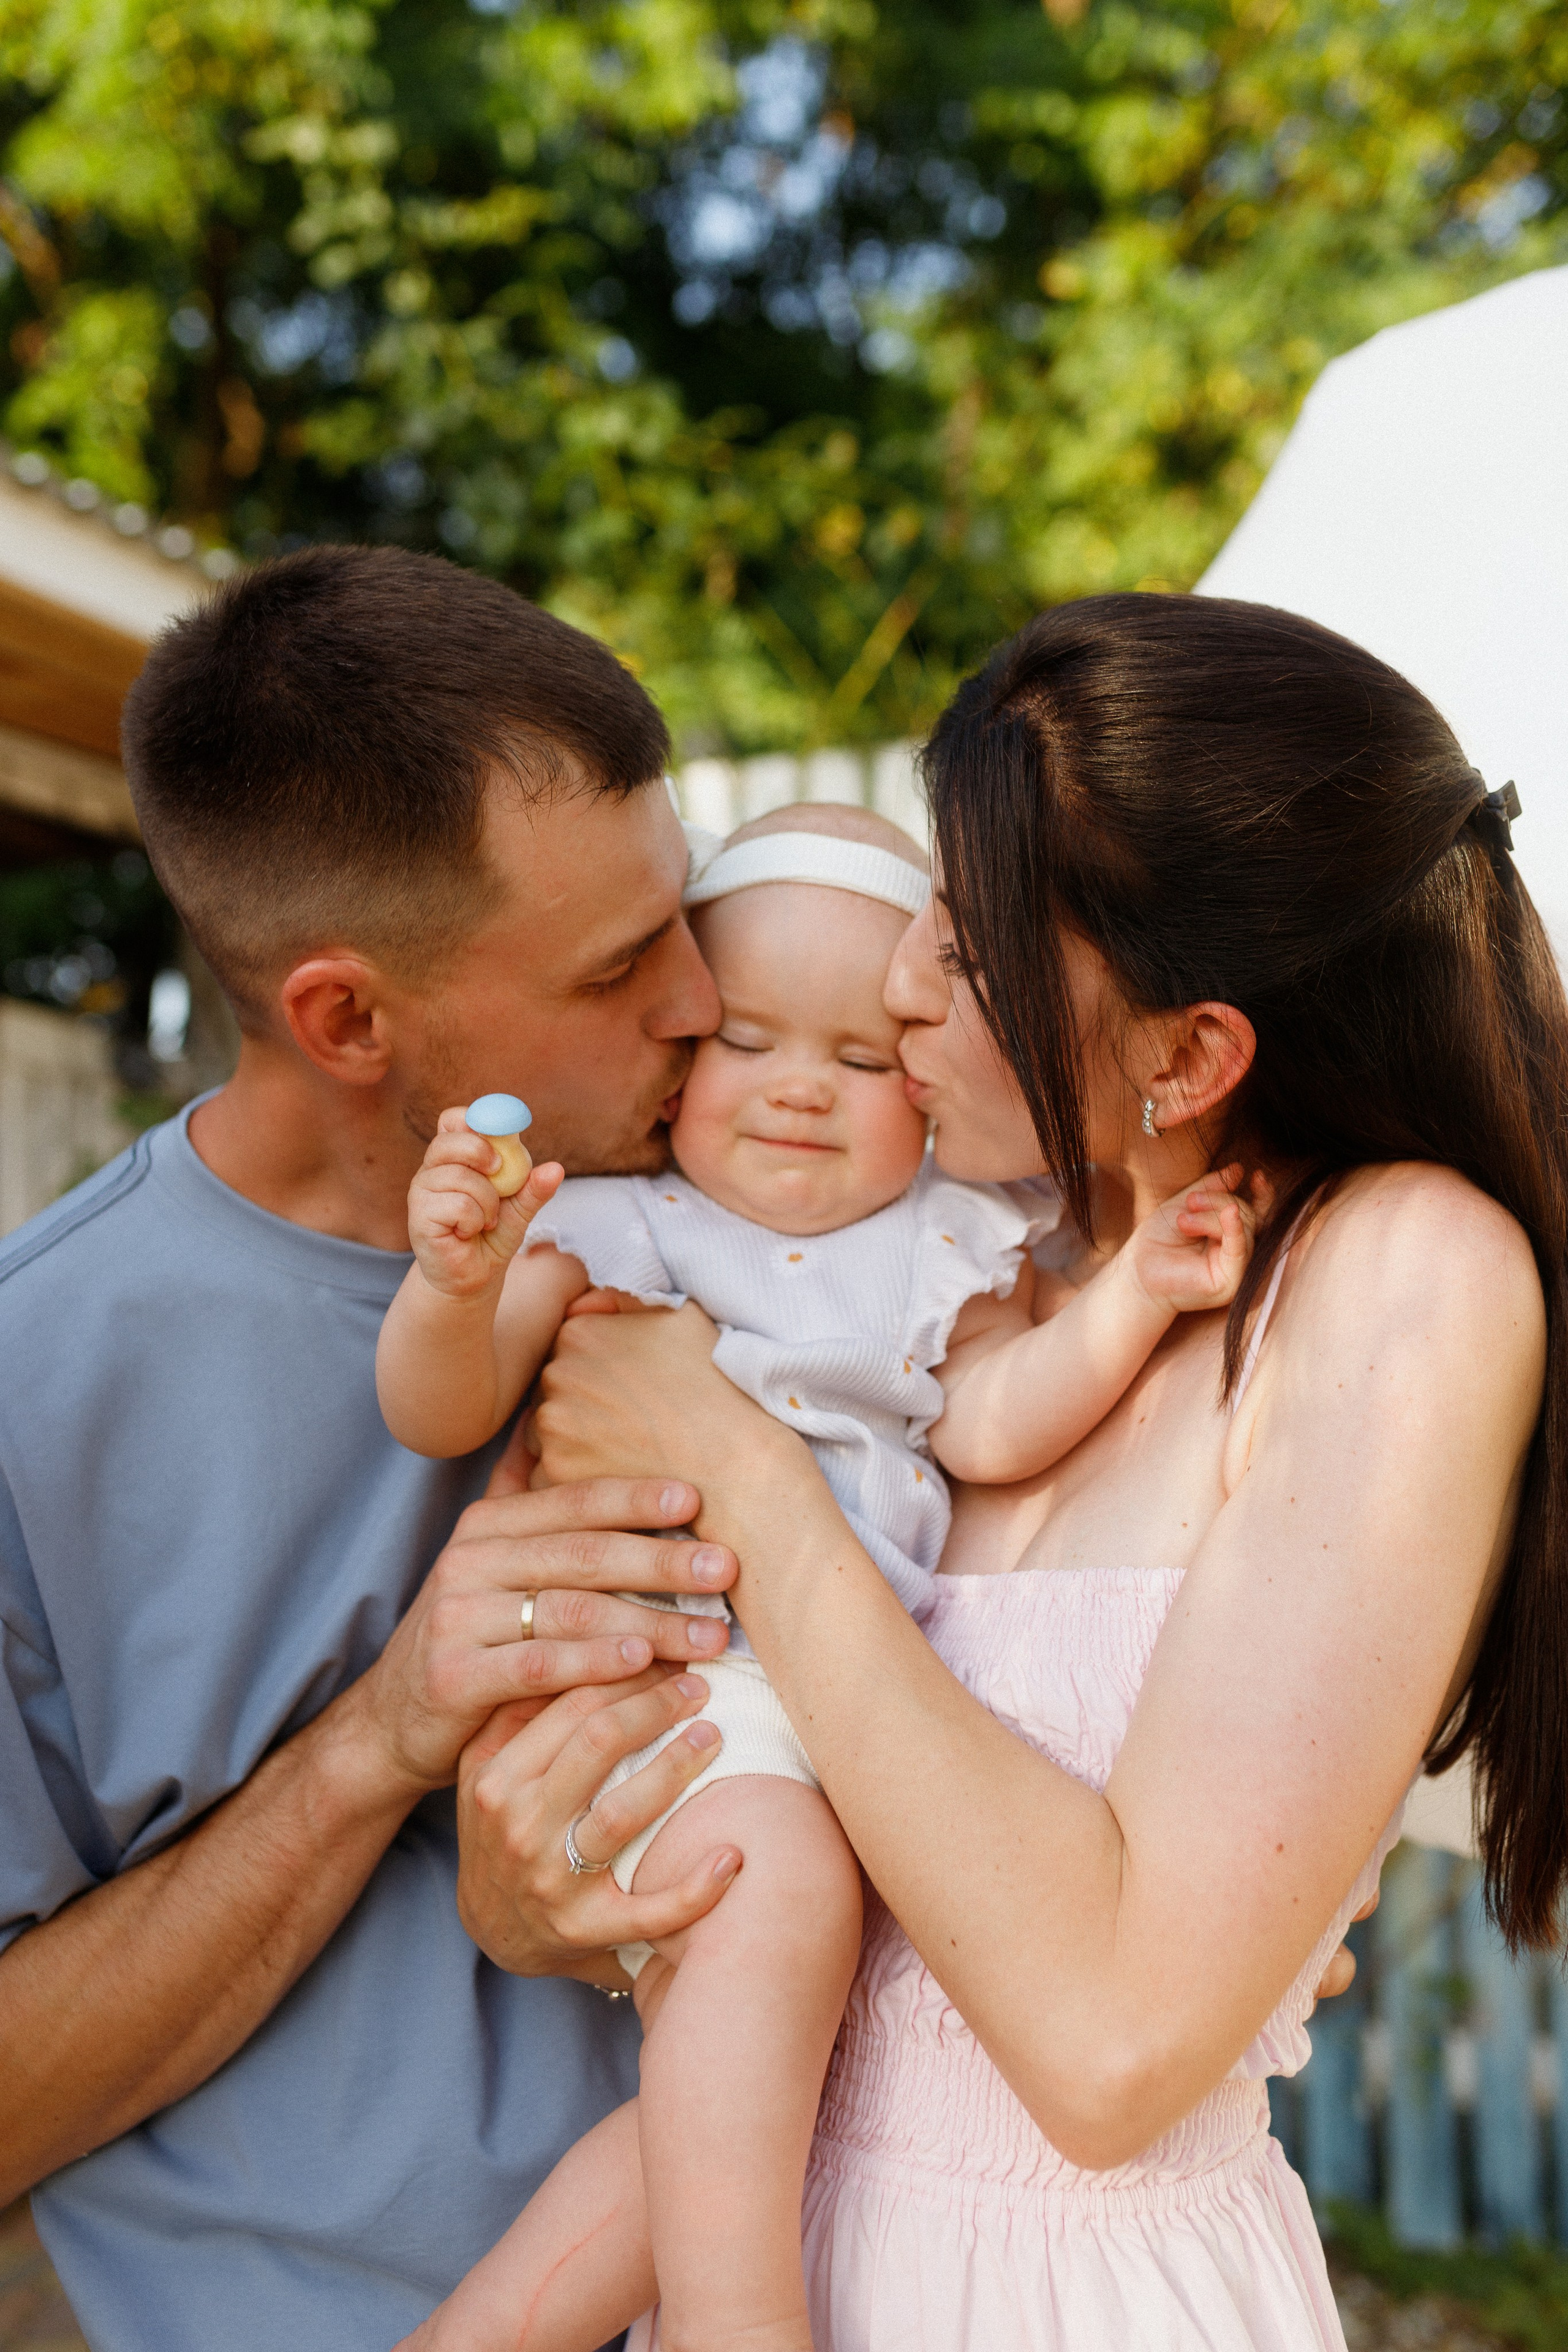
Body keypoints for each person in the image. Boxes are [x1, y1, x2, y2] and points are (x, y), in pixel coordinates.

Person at [497, 592, 1566, 2350]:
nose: (898, 986)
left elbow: (1107, 2052)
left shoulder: (1397, 1273)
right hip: (758, 2250)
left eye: (970, 955)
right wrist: (534, 1879)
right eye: (928, 912)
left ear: (1189, 1052)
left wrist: (743, 1479)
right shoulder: (976, 1263)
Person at [0, 546, 763, 2352]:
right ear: (348, 1018)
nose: (703, 1002)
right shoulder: (35, 1389)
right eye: (618, 966)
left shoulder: (767, 1205)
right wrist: (382, 1733)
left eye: (685, 918)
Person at [379, 800, 1258, 2351]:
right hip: (669, 1694)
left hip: (835, 1719)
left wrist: (1129, 1297)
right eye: (748, 1041)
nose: (798, 1088)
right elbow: (435, 1410)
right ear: (679, 1062)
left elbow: (987, 1422)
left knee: (750, 2078)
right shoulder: (616, 1227)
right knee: (770, 1919)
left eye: (861, 1060)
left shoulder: (944, 1244)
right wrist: (457, 1289)